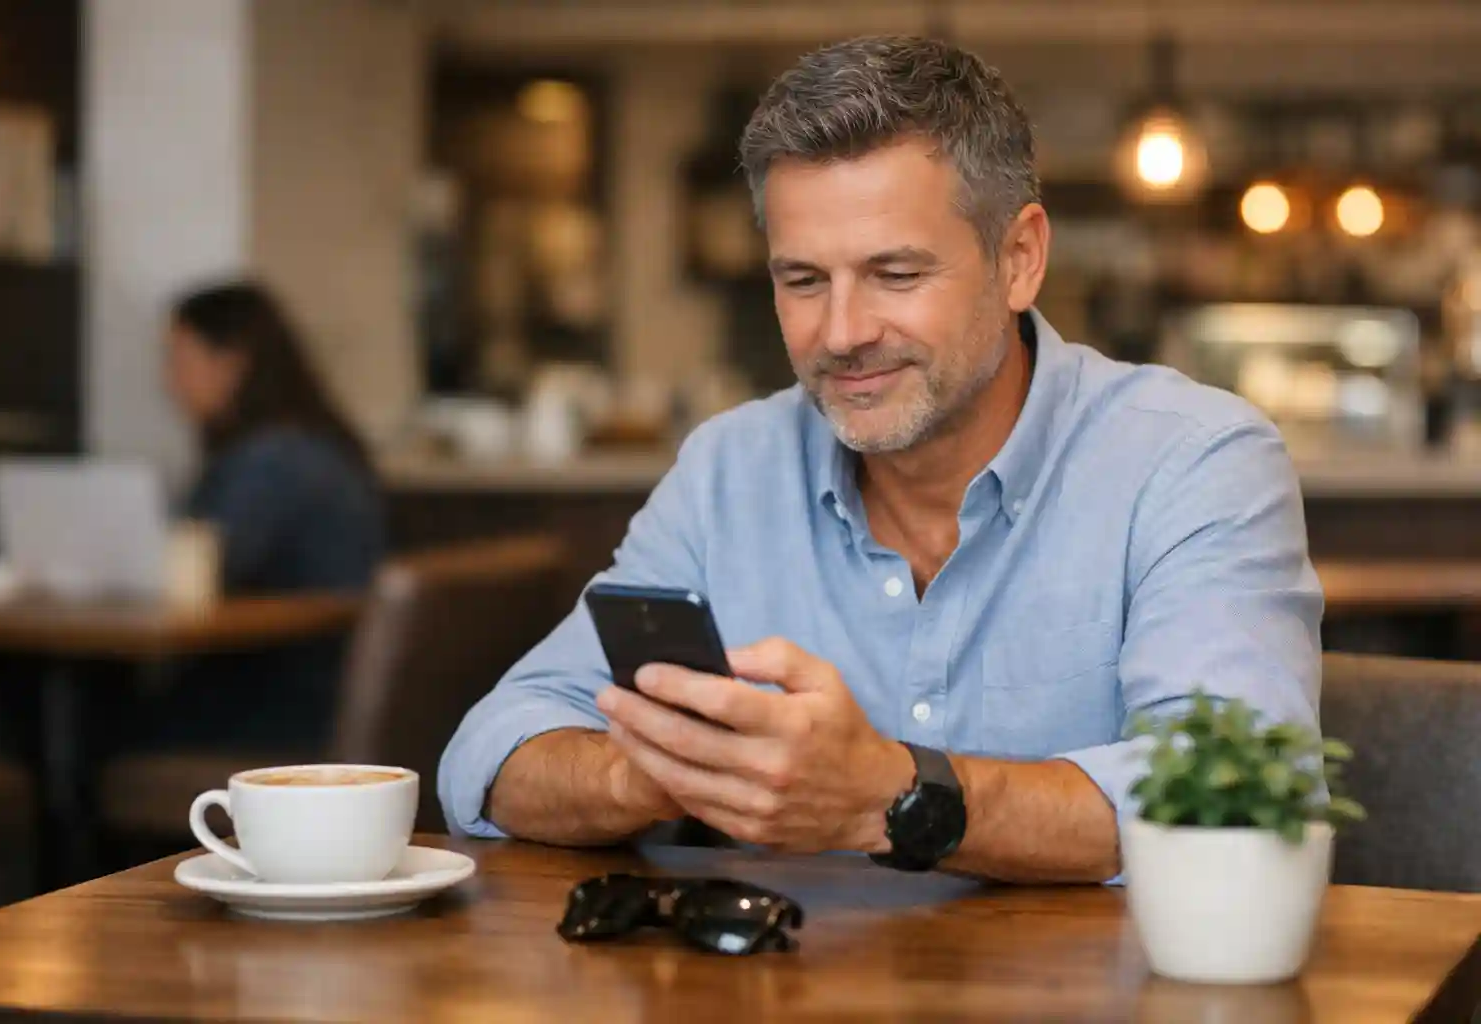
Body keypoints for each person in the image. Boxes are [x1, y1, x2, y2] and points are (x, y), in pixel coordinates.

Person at [439, 37, 1321, 881]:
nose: (843, 334)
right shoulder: (729, 470)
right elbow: (491, 752)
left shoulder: (1192, 460)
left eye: (896, 275)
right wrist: (665, 772)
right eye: (804, 280)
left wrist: (891, 799)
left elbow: (1235, 805)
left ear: (1019, 259)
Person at [123, 280, 384, 753]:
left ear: (233, 363)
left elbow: (200, 575)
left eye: (179, 359)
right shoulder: (308, 444)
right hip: (314, 701)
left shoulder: (274, 461)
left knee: (87, 716)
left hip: (278, 714)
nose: (168, 381)